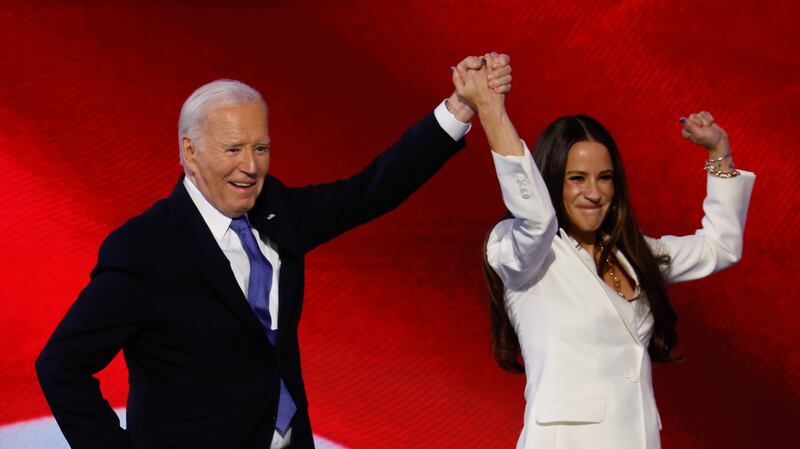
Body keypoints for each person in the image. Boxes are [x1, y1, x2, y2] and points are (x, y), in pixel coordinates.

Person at [36, 55, 512, 449]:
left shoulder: (277, 211)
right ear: (190, 151)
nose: (250, 166)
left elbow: (370, 190)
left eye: (260, 148)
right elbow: (61, 366)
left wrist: (459, 109)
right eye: (233, 149)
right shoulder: (145, 248)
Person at [452, 57, 755, 449]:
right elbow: (538, 220)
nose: (594, 193)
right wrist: (493, 113)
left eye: (604, 177)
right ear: (550, 181)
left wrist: (719, 152)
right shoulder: (521, 251)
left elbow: (721, 247)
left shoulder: (634, 253)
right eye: (576, 178)